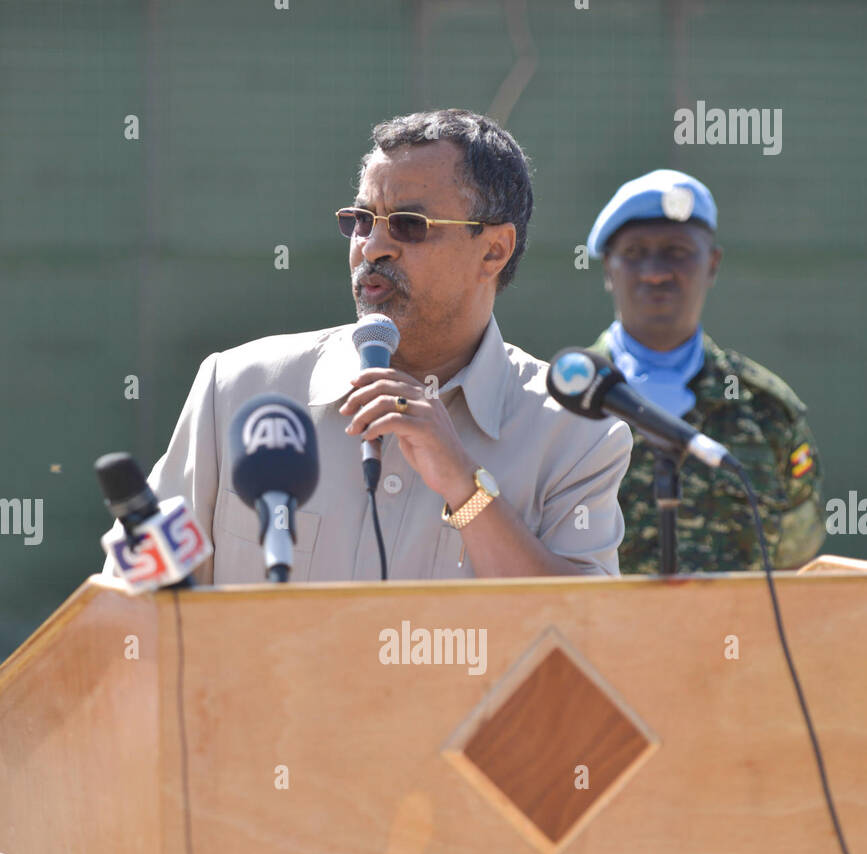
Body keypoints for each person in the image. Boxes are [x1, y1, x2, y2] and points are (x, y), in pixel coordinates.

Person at [102, 109, 631, 585]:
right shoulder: (238, 389)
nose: (373, 246)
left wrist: (466, 488)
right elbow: (135, 601)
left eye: (409, 225)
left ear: (494, 250)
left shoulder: (576, 434)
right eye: (361, 220)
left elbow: (580, 639)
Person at [586, 169, 825, 574]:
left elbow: (796, 563)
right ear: (609, 268)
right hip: (596, 638)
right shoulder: (563, 401)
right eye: (634, 253)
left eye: (677, 252)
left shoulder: (765, 410)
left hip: (740, 637)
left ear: (712, 264)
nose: (655, 271)